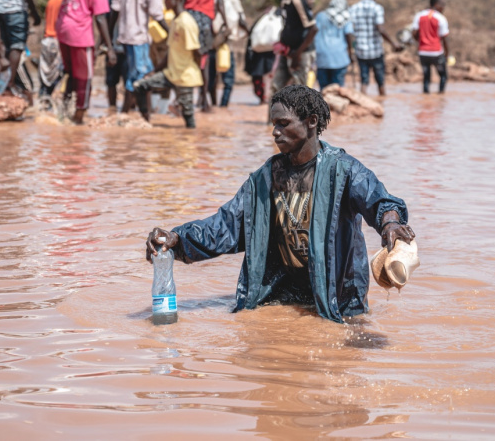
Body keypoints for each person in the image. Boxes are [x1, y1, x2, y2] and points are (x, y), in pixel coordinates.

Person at [144, 84, 415, 323]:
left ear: (311, 121)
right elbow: (226, 226)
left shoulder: (342, 171)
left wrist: (390, 223)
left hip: (337, 300)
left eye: (283, 124)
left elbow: (378, 199)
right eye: (273, 124)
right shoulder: (265, 178)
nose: (275, 132)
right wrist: (178, 238)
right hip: (282, 294)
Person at [55, 0, 117, 124]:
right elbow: (101, 18)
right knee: (84, 77)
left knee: (70, 73)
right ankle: (78, 118)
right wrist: (110, 48)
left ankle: (63, 112)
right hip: (79, 34)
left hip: (63, 29)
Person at [132, 0, 202, 128]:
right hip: (170, 73)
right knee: (140, 86)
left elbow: (196, 51)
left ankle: (190, 145)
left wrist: (196, 70)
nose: (165, 2)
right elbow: (170, 51)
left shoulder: (186, 23)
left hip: (184, 76)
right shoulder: (175, 21)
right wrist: (155, 71)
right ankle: (146, 123)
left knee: (188, 117)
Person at [112, 0, 167, 113]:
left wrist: (110, 36)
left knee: (139, 74)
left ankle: (142, 113)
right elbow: (157, 14)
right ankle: (131, 114)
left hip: (124, 37)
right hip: (139, 38)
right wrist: (170, 33)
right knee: (141, 78)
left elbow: (115, 8)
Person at [182, 0, 229, 110]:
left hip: (187, 17)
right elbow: (220, 1)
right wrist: (226, 22)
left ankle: (186, 99)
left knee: (188, 58)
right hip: (203, 18)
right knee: (204, 59)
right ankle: (203, 100)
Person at [271, 0, 317, 96]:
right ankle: (274, 116)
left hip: (300, 52)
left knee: (300, 90)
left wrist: (298, 53)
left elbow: (313, 29)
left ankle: (301, 116)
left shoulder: (297, 0)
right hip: (286, 50)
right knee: (276, 86)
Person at [350, 0, 401, 96]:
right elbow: (380, 29)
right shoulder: (377, 8)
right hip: (375, 50)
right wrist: (393, 43)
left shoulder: (354, 8)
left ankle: (363, 103)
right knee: (380, 80)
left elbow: (351, 30)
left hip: (361, 50)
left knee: (364, 80)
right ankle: (382, 102)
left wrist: (351, 48)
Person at [216, 0, 249, 107]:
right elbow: (241, 19)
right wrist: (248, 31)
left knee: (211, 78)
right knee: (228, 79)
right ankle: (223, 106)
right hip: (226, 43)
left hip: (213, 41)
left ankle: (209, 105)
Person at [105, 0, 133, 110]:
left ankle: (125, 112)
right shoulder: (110, 1)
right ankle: (111, 110)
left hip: (129, 49)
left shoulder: (134, 2)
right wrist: (106, 47)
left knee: (129, 81)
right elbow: (104, 25)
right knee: (111, 82)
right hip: (114, 48)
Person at [314, 0, 355, 89]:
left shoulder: (321, 15)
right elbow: (348, 34)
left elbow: (314, 32)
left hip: (322, 57)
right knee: (337, 89)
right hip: (339, 58)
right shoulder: (346, 17)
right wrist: (350, 52)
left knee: (323, 89)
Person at [411, 0, 450, 94]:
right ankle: (441, 97)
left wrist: (420, 42)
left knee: (426, 76)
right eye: (442, 5)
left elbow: (414, 33)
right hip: (436, 52)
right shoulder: (440, 18)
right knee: (443, 75)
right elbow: (444, 38)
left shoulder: (419, 15)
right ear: (435, 4)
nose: (443, 7)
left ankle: (426, 97)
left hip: (423, 52)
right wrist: (447, 53)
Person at [38, 0, 64, 106]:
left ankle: (42, 101)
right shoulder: (65, 0)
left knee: (45, 74)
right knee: (57, 73)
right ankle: (48, 101)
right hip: (57, 39)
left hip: (46, 39)